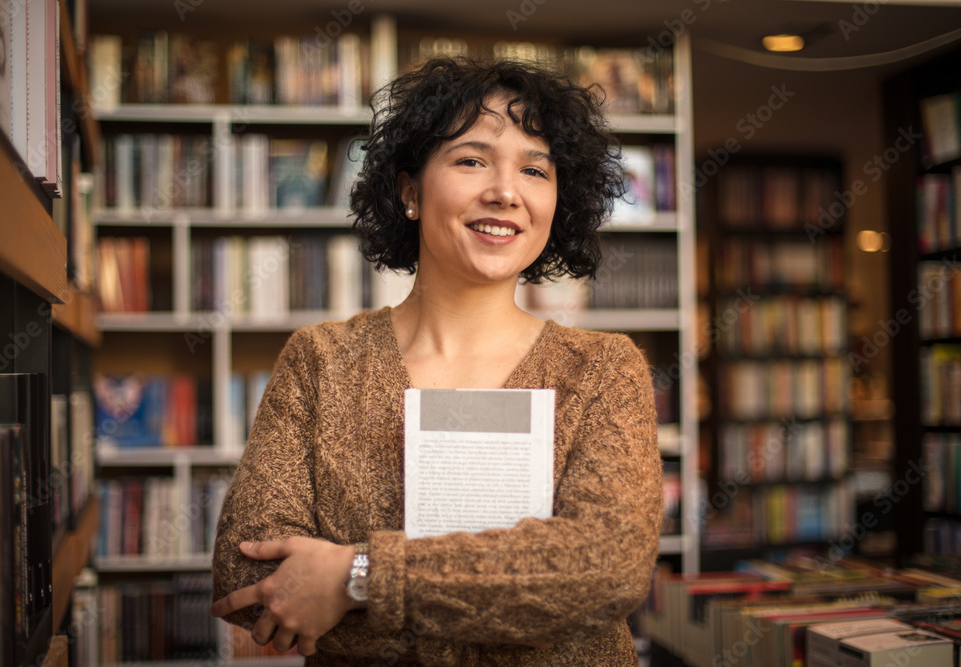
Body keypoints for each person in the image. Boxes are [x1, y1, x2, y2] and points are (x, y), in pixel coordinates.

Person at [210, 56, 663, 666]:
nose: (505, 192)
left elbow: (605, 570)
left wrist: (354, 577)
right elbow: (247, 578)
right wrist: (523, 605)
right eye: (471, 160)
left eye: (535, 169)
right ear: (409, 191)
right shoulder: (321, 361)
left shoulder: (603, 370)